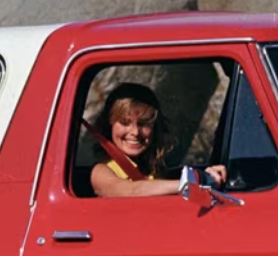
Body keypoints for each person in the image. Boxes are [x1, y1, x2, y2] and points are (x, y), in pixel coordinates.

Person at [89, 82, 225, 197]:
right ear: (109, 125)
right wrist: (192, 182)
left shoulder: (154, 169)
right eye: (125, 123)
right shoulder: (101, 171)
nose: (135, 132)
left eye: (144, 124)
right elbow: (132, 191)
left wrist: (206, 175)